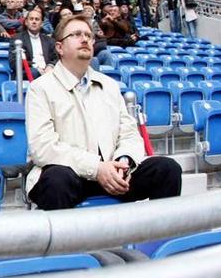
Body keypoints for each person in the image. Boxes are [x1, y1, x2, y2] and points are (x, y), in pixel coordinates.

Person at [25, 14, 182, 210]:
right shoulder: (40, 88)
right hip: (72, 173)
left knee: (167, 169)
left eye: (88, 35)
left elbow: (129, 134)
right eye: (76, 34)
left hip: (112, 171)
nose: (84, 39)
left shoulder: (109, 85)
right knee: (57, 179)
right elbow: (44, 148)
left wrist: (123, 162)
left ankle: (160, 231)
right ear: (59, 47)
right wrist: (97, 168)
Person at [15, 6, 57, 78]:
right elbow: (14, 62)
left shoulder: (49, 40)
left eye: (37, 19)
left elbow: (56, 58)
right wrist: (36, 67)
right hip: (29, 74)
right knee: (33, 72)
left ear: (41, 23)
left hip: (48, 72)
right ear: (26, 22)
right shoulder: (17, 39)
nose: (34, 22)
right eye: (31, 19)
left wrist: (50, 66)